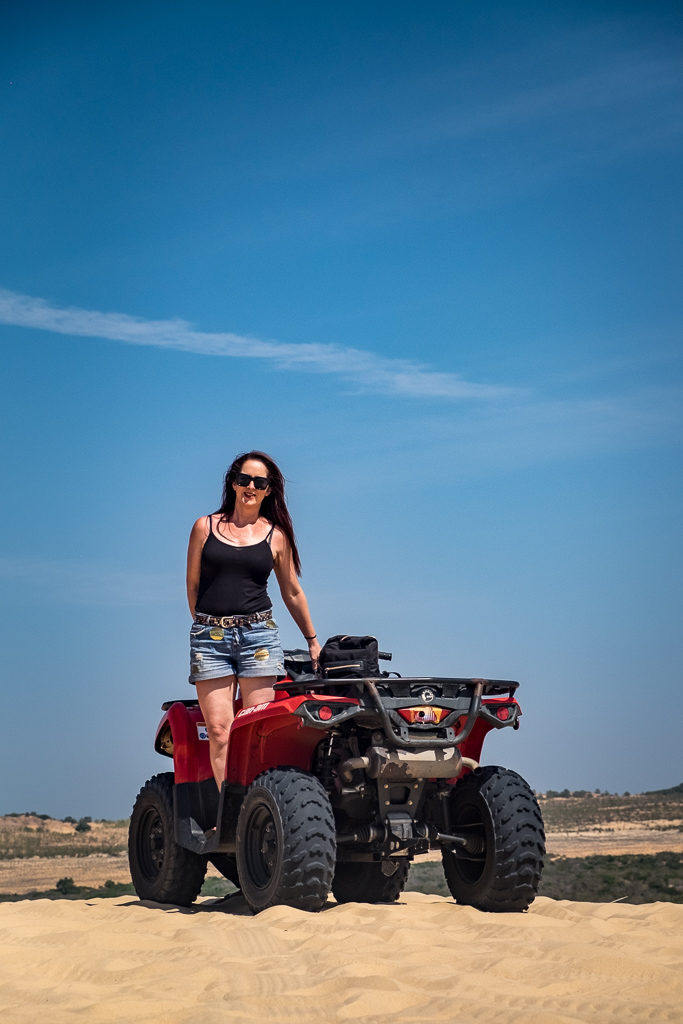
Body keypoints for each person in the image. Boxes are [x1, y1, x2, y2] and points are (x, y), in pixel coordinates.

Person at [186, 451, 320, 790]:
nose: (250, 487)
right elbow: (193, 586)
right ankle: (229, 812)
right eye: (244, 479)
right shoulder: (205, 527)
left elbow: (292, 592)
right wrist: (206, 625)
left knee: (256, 731)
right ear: (233, 483)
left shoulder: (276, 537)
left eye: (259, 483)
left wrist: (312, 639)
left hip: (258, 637)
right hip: (210, 637)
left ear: (268, 490)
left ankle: (255, 812)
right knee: (219, 731)